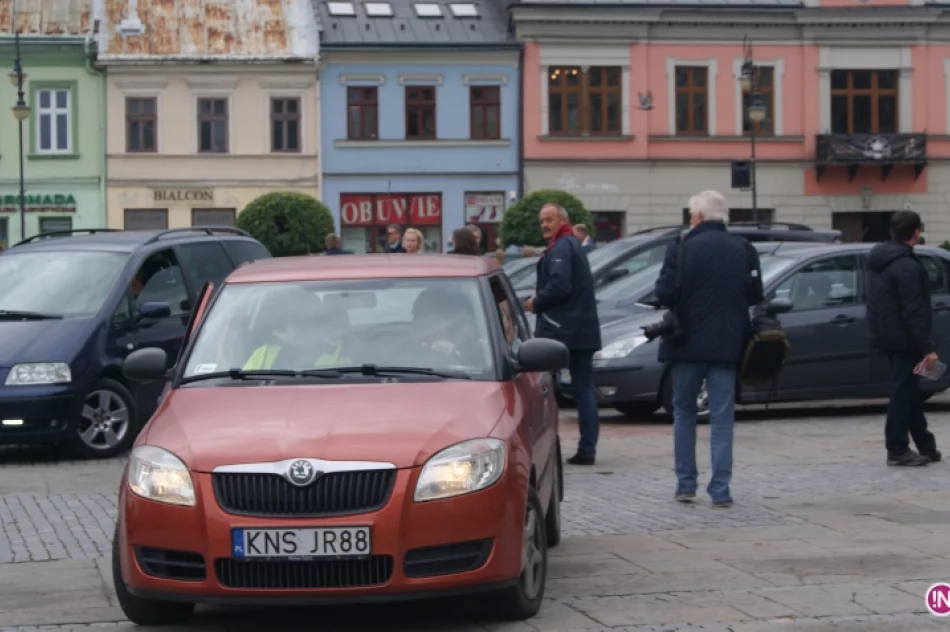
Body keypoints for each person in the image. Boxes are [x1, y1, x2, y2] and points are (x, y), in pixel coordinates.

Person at [654, 190, 763, 508]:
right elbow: (755, 294)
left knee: (684, 412)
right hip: (726, 345)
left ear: (698, 216)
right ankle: (720, 490)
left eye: (691, 215)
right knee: (722, 417)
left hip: (685, 343)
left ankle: (686, 484)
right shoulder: (743, 248)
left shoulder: (681, 246)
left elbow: (664, 293)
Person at [524, 204, 601, 465]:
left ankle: (548, 449)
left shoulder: (561, 247)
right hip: (580, 330)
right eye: (541, 220)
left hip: (561, 331)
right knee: (583, 389)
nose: (544, 225)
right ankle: (587, 449)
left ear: (562, 221)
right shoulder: (570, 244)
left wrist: (536, 302)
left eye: (549, 219)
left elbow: (559, 285)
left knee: (545, 388)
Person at [866, 209, 942, 467]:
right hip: (906, 339)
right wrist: (927, 348)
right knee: (903, 392)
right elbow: (914, 311)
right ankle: (897, 448)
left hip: (886, 335)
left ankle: (926, 445)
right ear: (916, 233)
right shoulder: (907, 266)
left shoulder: (880, 259)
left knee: (909, 391)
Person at [244, 295, 353, 370]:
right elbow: (243, 385)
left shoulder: (344, 357)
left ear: (319, 325)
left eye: (302, 322)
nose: (291, 328)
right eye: (288, 321)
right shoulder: (264, 352)